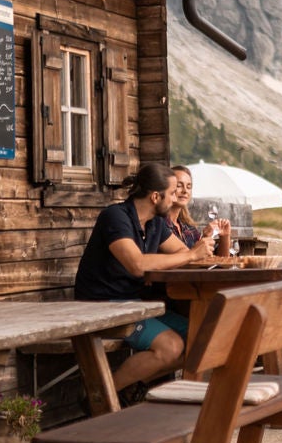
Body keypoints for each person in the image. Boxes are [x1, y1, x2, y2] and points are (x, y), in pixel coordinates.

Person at [73, 161, 216, 392]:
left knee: (203, 339)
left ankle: (130, 387)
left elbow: (181, 252)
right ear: (155, 197)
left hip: (134, 304)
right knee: (171, 346)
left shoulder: (155, 224)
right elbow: (137, 264)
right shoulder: (115, 217)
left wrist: (174, 260)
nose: (174, 199)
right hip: (102, 305)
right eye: (171, 193)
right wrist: (189, 255)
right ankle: (101, 396)